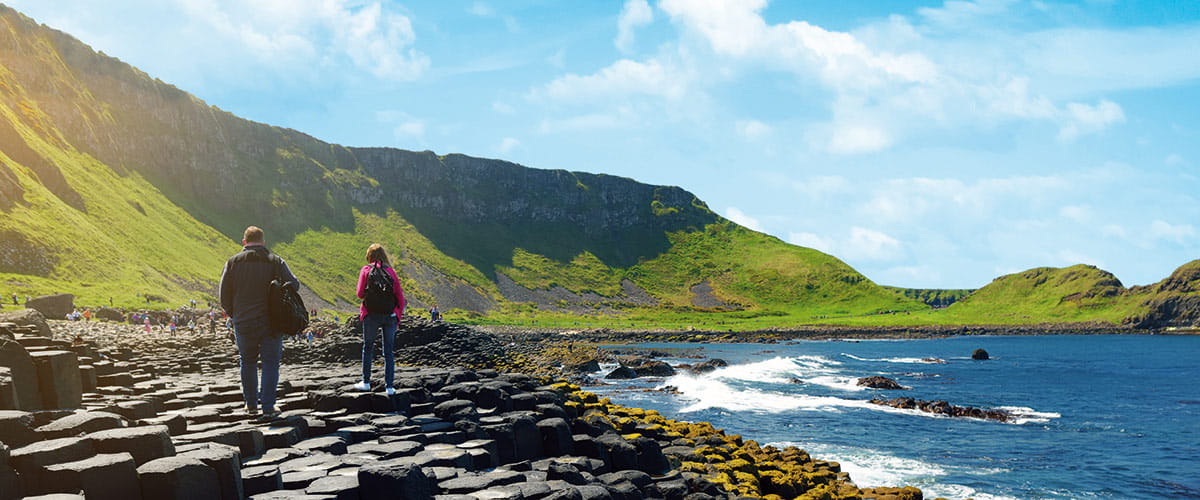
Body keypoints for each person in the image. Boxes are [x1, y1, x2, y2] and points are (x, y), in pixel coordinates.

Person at [219, 225, 298, 419]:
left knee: (247, 361)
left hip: (243, 320)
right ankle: (269, 406)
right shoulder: (276, 261)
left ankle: (251, 405)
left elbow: (223, 295)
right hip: (271, 321)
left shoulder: (232, 262)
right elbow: (294, 284)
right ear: (263, 242)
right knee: (271, 363)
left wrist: (233, 313)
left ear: (244, 242)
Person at [354, 243, 406, 394]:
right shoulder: (391, 272)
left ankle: (366, 382)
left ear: (369, 256)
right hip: (389, 316)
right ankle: (389, 387)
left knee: (368, 347)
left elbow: (359, 294)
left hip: (371, 315)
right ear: (384, 255)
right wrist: (398, 317)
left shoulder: (366, 270)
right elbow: (400, 298)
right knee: (388, 351)